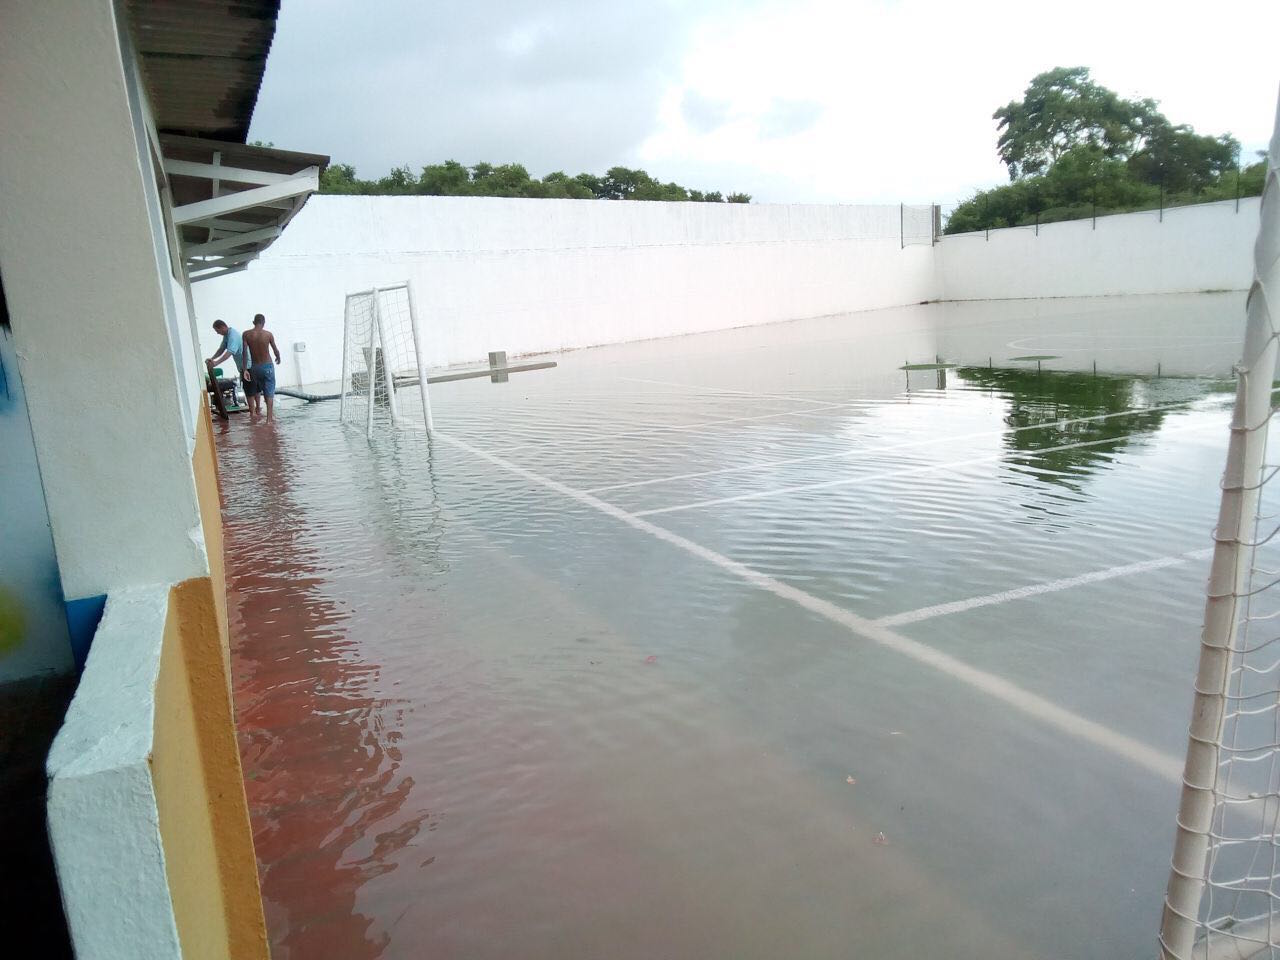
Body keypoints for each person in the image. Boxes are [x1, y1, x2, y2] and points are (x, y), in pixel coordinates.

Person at [242, 313, 283, 423]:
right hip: (267, 366)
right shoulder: (268, 334)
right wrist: (278, 358)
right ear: (263, 323)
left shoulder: (246, 334)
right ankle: (269, 420)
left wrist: (245, 369)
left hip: (255, 367)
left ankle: (255, 413)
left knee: (257, 390)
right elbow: (275, 350)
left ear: (253, 322)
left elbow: (244, 353)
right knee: (269, 392)